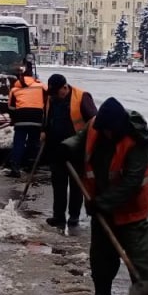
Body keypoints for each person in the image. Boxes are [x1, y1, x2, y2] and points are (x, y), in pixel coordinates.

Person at [61, 98, 148, 295]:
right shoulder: (96, 125)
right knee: (101, 258)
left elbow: (132, 181)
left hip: (133, 211)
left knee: (141, 262)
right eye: (101, 129)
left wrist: (103, 202)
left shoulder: (137, 141)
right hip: (102, 209)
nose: (104, 133)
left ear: (118, 127)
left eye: (108, 131)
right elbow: (81, 139)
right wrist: (66, 147)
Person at [41, 74, 98, 227]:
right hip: (56, 148)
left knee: (76, 184)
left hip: (76, 149)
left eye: (57, 92)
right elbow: (47, 118)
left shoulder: (82, 97)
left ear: (65, 87)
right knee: (58, 184)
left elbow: (94, 122)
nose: (55, 96)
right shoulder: (51, 98)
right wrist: (44, 131)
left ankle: (74, 216)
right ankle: (58, 216)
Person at [6, 67, 46, 177]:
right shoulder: (41, 86)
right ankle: (31, 166)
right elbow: (48, 101)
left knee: (18, 143)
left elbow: (10, 107)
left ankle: (15, 168)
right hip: (37, 119)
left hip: (21, 119)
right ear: (32, 77)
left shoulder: (15, 89)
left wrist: (14, 119)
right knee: (33, 143)